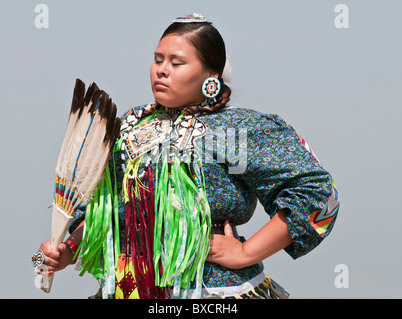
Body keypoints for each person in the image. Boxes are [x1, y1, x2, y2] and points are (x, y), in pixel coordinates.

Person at [35, 13, 340, 299]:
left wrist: (247, 253)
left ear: (211, 76)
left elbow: (317, 194)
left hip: (215, 291)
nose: (161, 69)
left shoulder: (237, 130)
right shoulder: (126, 128)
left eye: (177, 62)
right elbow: (103, 210)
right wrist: (67, 250)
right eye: (157, 59)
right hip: (126, 286)